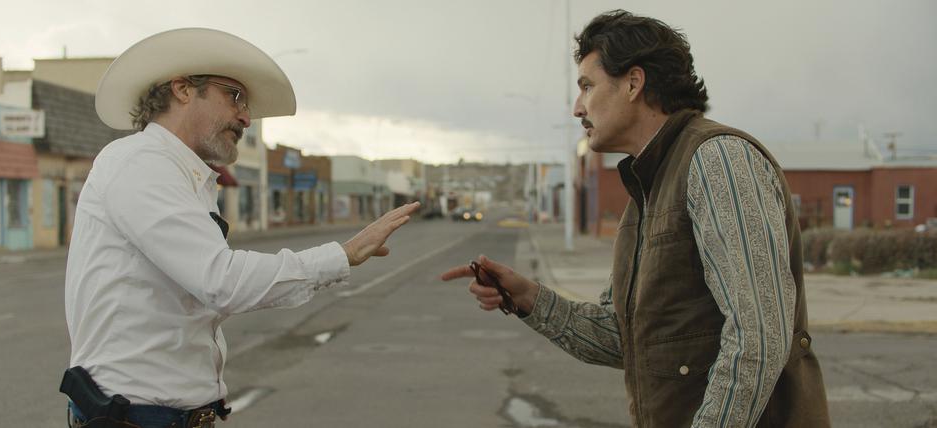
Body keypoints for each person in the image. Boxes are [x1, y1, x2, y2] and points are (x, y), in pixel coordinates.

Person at [443, 10, 829, 428]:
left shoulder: (717, 161)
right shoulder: (644, 195)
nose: (577, 108)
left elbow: (758, 338)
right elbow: (623, 340)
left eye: (587, 86)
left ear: (633, 82)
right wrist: (529, 298)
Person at [64, 28, 419, 427]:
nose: (246, 117)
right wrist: (342, 255)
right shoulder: (142, 164)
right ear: (182, 88)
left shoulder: (184, 176)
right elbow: (221, 281)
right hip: (136, 417)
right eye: (233, 96)